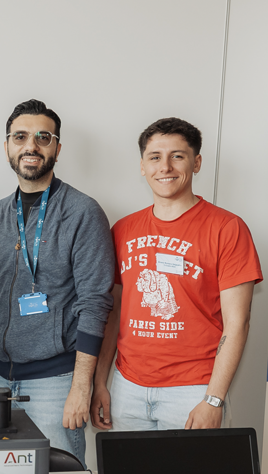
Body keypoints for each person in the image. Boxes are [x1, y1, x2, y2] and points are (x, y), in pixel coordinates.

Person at [0, 99, 114, 465]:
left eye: (43, 137)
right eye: (20, 137)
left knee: (57, 471)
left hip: (54, 382)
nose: (31, 145)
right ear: (7, 147)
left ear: (57, 149)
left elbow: (95, 303)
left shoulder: (82, 212)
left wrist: (82, 387)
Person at [90, 118, 262, 432]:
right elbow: (111, 313)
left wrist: (213, 400)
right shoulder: (122, 231)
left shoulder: (227, 228)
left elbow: (238, 323)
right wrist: (100, 383)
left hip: (192, 390)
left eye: (177, 156)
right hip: (127, 388)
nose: (165, 167)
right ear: (142, 166)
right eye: (155, 157)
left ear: (196, 162)